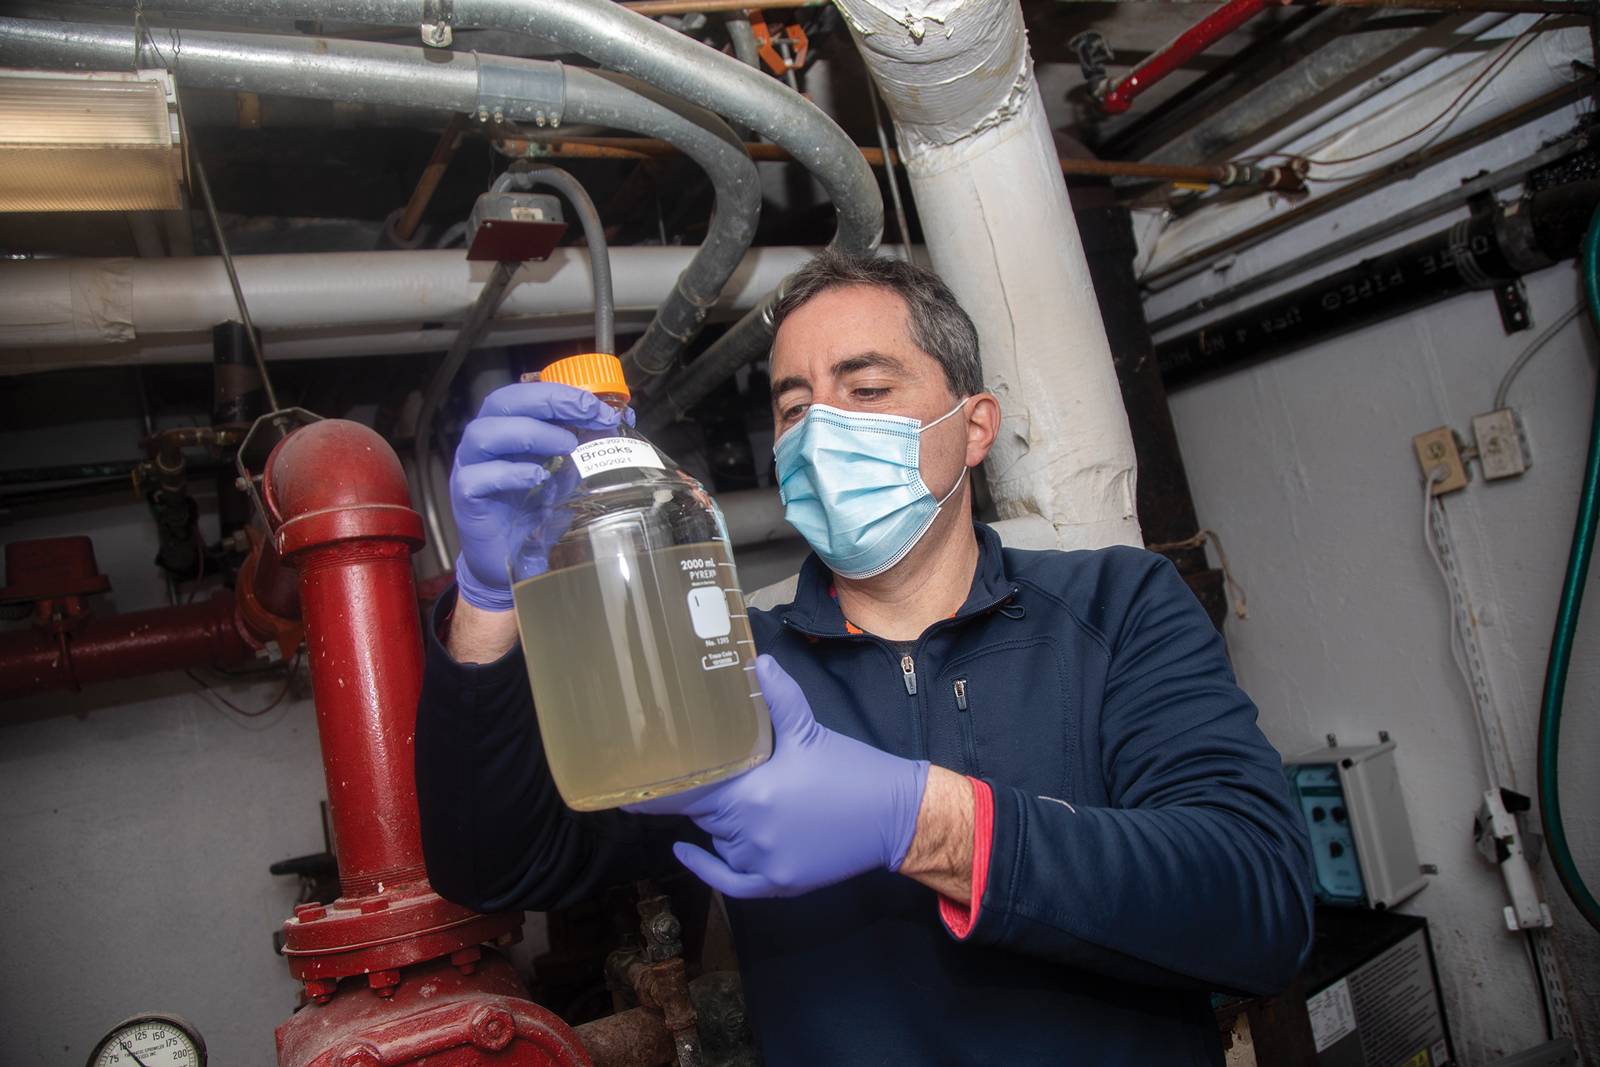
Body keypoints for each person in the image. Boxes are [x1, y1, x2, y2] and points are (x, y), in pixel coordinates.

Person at [416, 250, 1315, 1065]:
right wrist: (490, 607)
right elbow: (496, 864)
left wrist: (921, 820)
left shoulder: (1117, 607)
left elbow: (1263, 905)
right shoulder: (731, 671)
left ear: (974, 426)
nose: (820, 430)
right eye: (795, 405)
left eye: (868, 389)